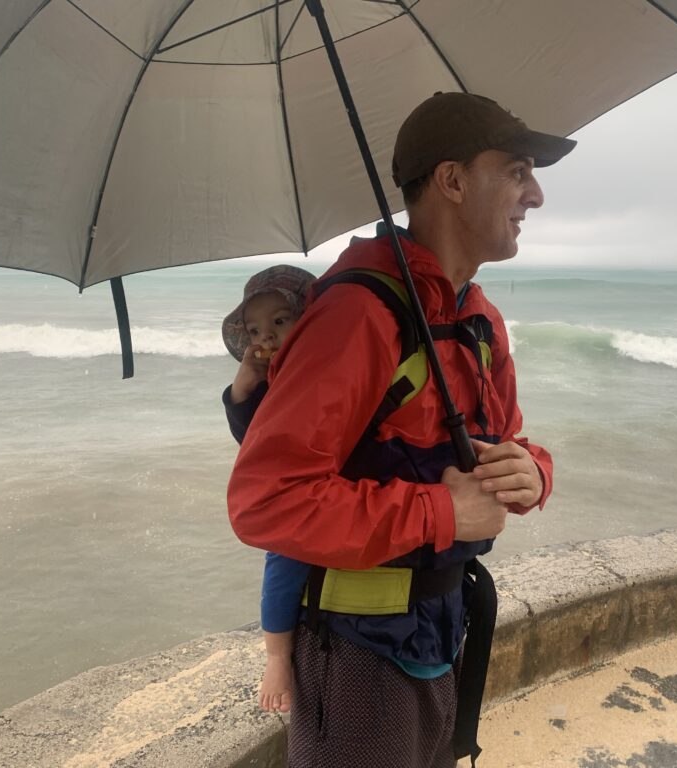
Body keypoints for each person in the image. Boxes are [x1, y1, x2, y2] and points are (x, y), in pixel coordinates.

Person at [227, 92, 575, 767]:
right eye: (518, 171)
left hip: (444, 634)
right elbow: (265, 501)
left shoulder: (479, 318)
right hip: (358, 656)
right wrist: (444, 511)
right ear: (452, 180)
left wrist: (532, 474)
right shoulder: (356, 315)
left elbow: (509, 440)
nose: (534, 195)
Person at [220, 264, 316, 714]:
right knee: (283, 558)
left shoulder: (321, 366)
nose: (267, 337)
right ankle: (277, 655)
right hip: (290, 493)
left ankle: (280, 654)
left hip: (323, 484)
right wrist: (242, 388)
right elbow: (253, 439)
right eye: (255, 329)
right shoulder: (269, 379)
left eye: (280, 320)